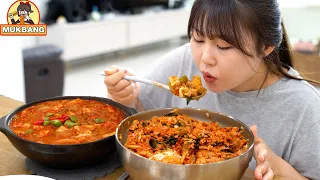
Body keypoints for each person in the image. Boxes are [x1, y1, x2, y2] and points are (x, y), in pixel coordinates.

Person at [104, 0, 320, 179]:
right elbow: (135, 122)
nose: (204, 58)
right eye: (198, 38)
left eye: (224, 46)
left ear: (265, 47)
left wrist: (284, 172)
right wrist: (124, 97)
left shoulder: (305, 106)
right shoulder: (186, 60)